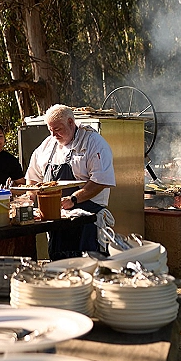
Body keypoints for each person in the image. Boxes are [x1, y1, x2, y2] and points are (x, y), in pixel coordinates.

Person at [25, 104, 116, 259]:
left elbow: (101, 180)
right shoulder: (47, 146)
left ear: (71, 123)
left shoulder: (93, 142)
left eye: (58, 129)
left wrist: (74, 199)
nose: (53, 135)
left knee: (87, 266)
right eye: (50, 129)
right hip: (57, 221)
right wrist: (27, 202)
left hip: (88, 219)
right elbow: (33, 179)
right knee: (59, 266)